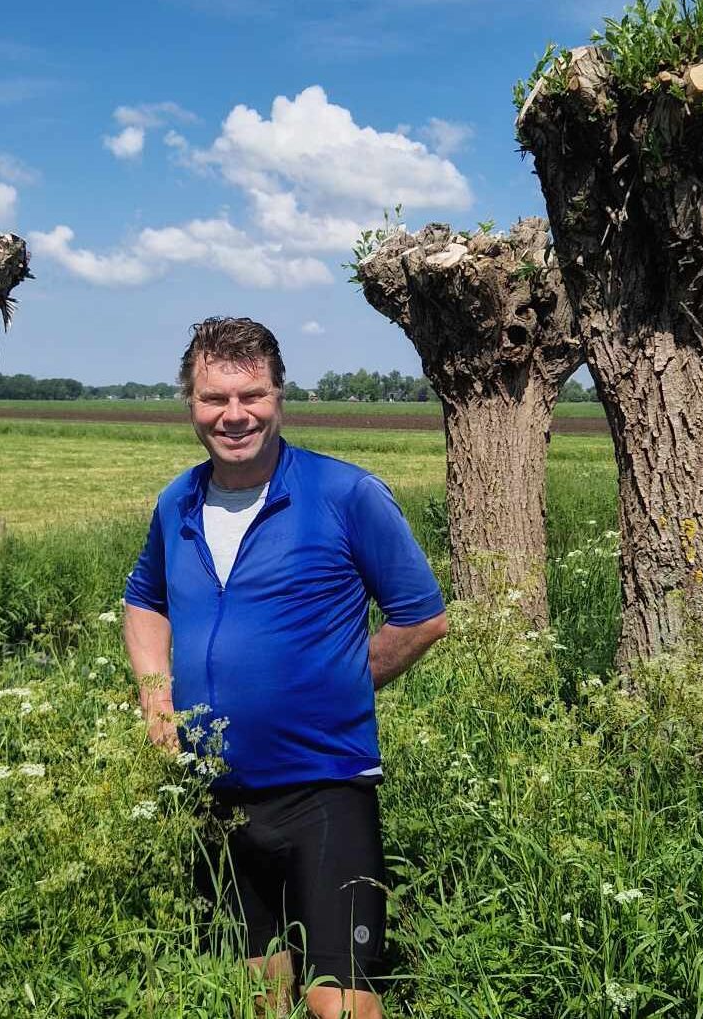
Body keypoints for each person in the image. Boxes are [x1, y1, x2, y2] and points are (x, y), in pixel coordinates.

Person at [123, 316, 448, 1019]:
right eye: (214, 398)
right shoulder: (175, 500)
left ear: (278, 396)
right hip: (215, 790)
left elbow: (422, 615)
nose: (233, 414)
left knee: (341, 1002)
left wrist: (338, 684)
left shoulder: (345, 493)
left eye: (252, 395)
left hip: (324, 788)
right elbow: (143, 601)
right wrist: (155, 699)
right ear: (190, 402)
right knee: (254, 994)